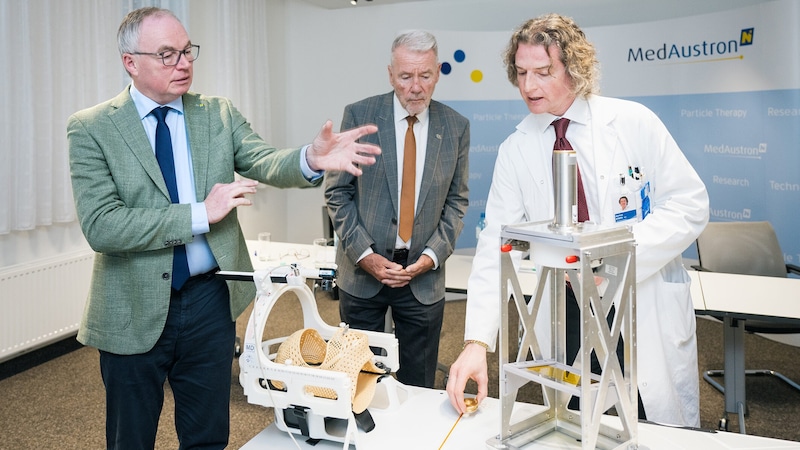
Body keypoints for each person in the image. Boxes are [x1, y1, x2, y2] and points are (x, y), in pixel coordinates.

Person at [67, 7, 380, 449]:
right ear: (130, 62)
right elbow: (103, 226)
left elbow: (264, 159)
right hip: (130, 308)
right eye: (167, 54)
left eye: (187, 51)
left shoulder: (216, 113)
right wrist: (200, 213)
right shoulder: (92, 127)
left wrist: (310, 157)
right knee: (130, 438)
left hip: (208, 303)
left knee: (208, 435)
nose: (184, 63)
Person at [445, 13, 708, 428]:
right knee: (580, 422)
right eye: (521, 72)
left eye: (543, 72)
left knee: (648, 419)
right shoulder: (517, 149)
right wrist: (477, 341)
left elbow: (690, 204)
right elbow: (496, 244)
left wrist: (612, 258)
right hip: (566, 309)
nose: (528, 86)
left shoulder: (633, 123)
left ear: (576, 68)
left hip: (638, 298)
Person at [324, 30, 470, 388]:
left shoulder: (456, 128)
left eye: (424, 76)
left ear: (437, 72)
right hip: (362, 276)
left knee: (418, 386)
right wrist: (365, 256)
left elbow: (456, 202)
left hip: (422, 279)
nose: (415, 87)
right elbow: (337, 194)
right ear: (391, 74)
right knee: (358, 383)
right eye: (406, 77)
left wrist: (430, 258)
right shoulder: (359, 116)